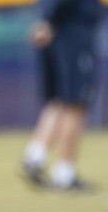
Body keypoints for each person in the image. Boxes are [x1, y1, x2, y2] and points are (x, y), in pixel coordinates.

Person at [21, 0, 101, 191]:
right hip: (73, 32)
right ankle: (64, 173)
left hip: (61, 30)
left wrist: (46, 20)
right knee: (76, 104)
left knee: (60, 100)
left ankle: (36, 155)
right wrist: (47, 20)